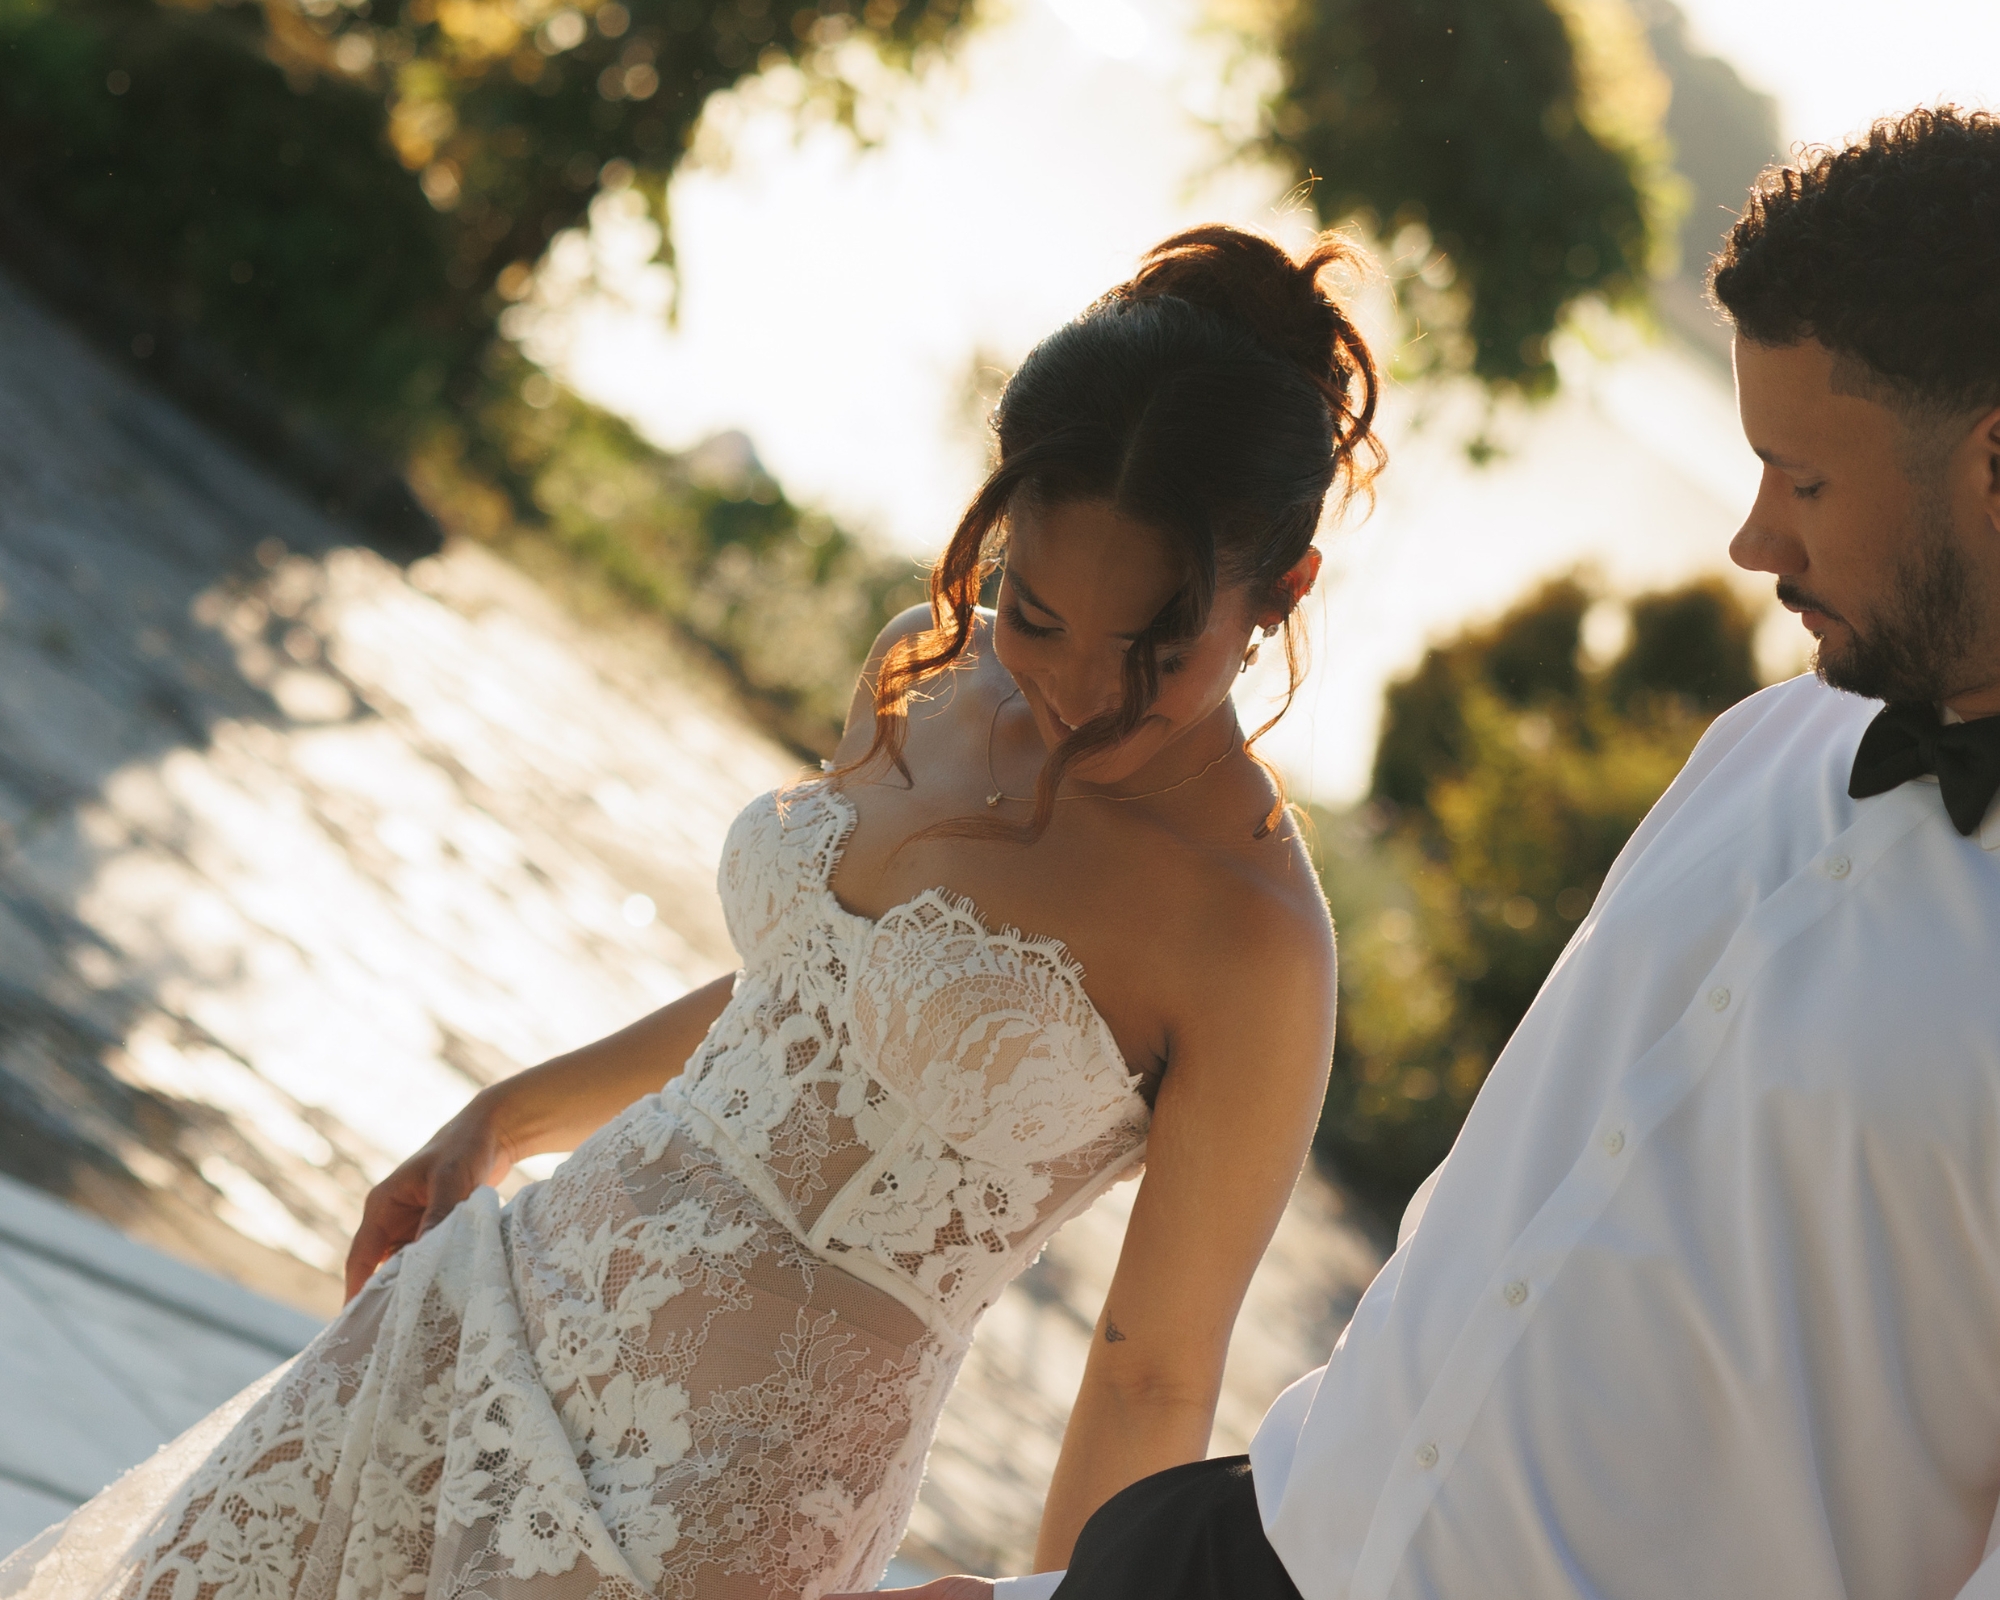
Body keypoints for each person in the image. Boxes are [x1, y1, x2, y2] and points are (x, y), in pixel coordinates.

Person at [0, 224, 1380, 1600]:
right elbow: (802, 1003)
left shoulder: (1254, 941)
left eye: (1154, 652)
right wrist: (507, 1114)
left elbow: (1152, 1374)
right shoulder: (924, 668)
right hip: (504, 1302)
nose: (1075, 689)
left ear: (1281, 594)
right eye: (1033, 610)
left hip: (715, 1504)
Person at [879, 104, 2000, 1600]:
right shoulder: (1765, 746)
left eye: (1804, 482)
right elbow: (1512, 1244)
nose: (1751, 539)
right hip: (1266, 1544)